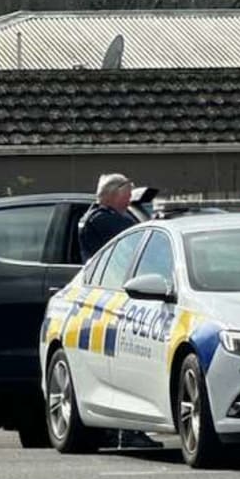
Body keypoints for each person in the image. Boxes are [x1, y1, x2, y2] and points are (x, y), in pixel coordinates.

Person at [78, 173, 162, 449]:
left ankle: (121, 431)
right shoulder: (104, 219)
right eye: (127, 194)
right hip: (115, 300)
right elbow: (138, 242)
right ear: (113, 193)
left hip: (108, 296)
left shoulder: (97, 217)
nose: (129, 199)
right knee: (122, 367)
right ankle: (126, 431)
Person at [79, 173, 136, 261]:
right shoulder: (105, 219)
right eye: (127, 197)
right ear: (113, 196)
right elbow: (134, 244)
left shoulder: (93, 216)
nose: (129, 202)